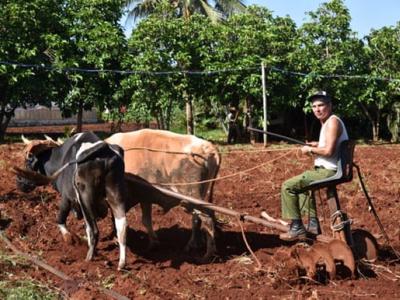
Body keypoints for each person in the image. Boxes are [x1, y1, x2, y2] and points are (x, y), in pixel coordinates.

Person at [279, 91, 349, 241]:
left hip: (329, 171)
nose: (317, 109)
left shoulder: (332, 122)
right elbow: (329, 145)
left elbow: (328, 151)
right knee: (304, 189)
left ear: (329, 106)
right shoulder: (329, 122)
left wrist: (310, 149)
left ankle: (297, 228)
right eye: (314, 106)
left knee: (287, 186)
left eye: (321, 105)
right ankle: (312, 224)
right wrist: (318, 144)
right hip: (330, 169)